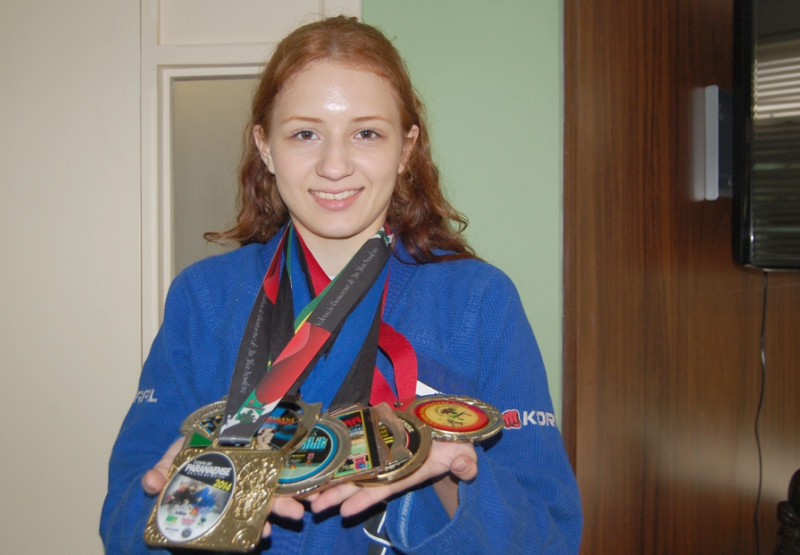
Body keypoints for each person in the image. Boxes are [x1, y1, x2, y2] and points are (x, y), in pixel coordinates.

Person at [101, 15, 582, 554]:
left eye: (367, 133)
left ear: (405, 149)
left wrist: (449, 480)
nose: (335, 165)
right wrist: (181, 514)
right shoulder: (204, 298)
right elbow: (123, 521)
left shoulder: (478, 302)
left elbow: (551, 535)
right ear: (265, 146)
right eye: (305, 133)